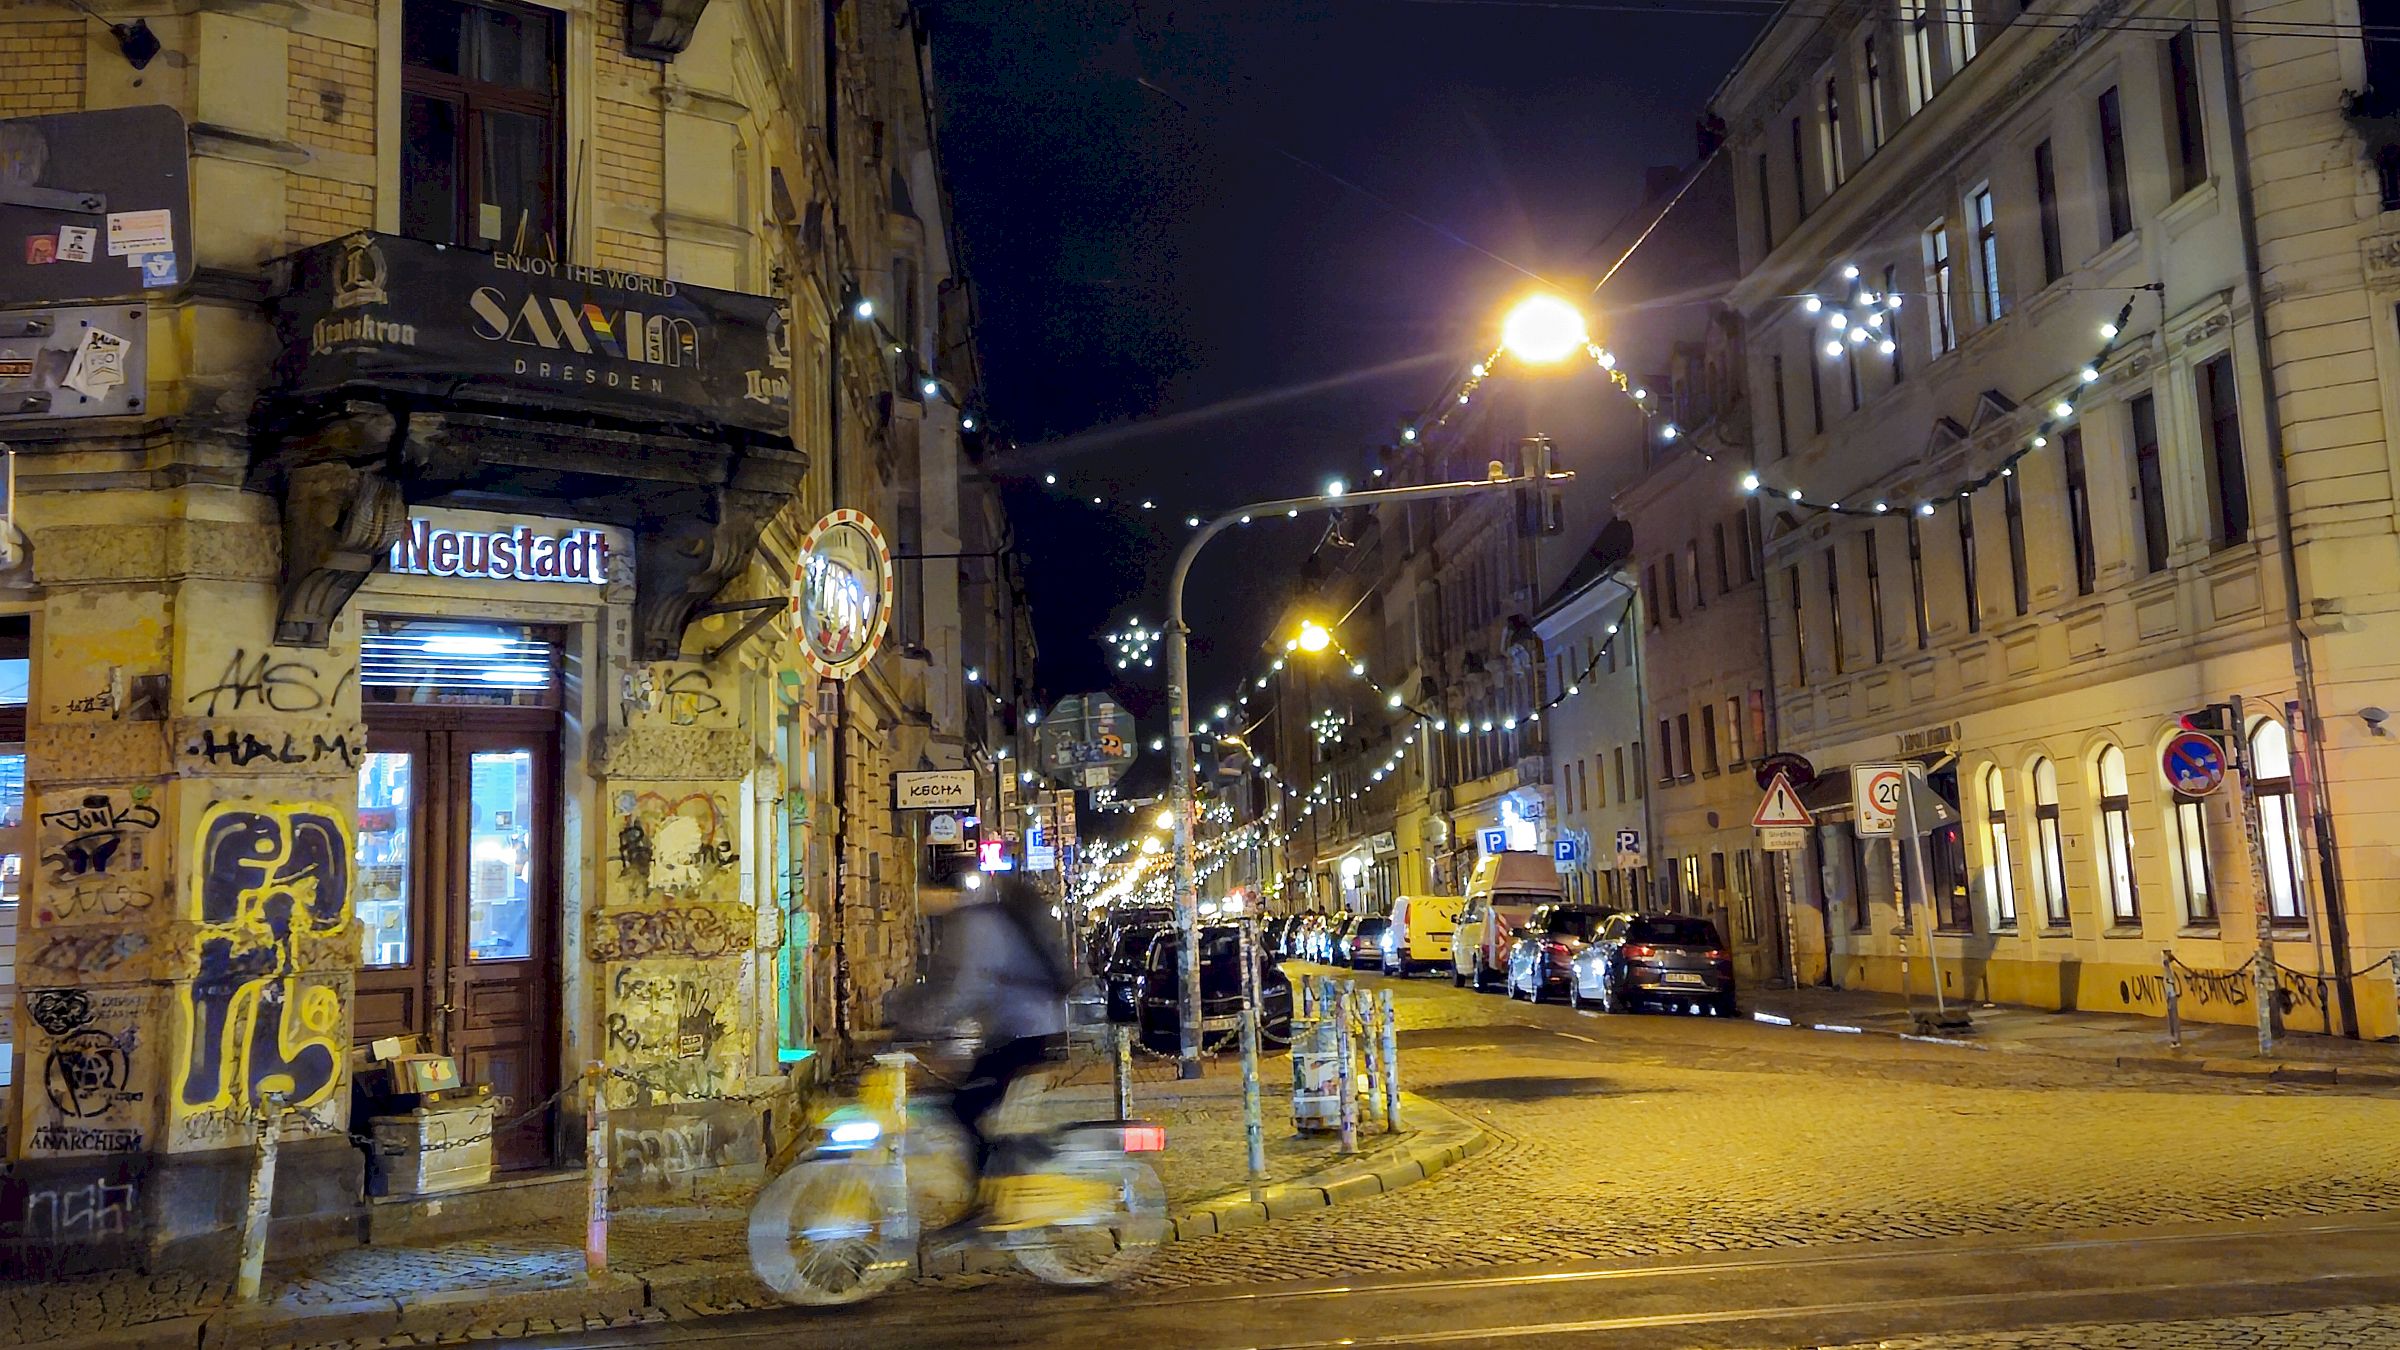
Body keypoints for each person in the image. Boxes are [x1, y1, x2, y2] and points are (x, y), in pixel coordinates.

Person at [906, 874, 1074, 1189]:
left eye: (923, 892)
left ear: (946, 893)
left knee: (965, 1106)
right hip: (1020, 1028)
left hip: (1024, 1031)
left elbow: (968, 988)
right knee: (981, 1104)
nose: (919, 901)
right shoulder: (973, 920)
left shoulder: (976, 924)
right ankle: (1001, 1172)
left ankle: (989, 1189)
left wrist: (925, 1023)